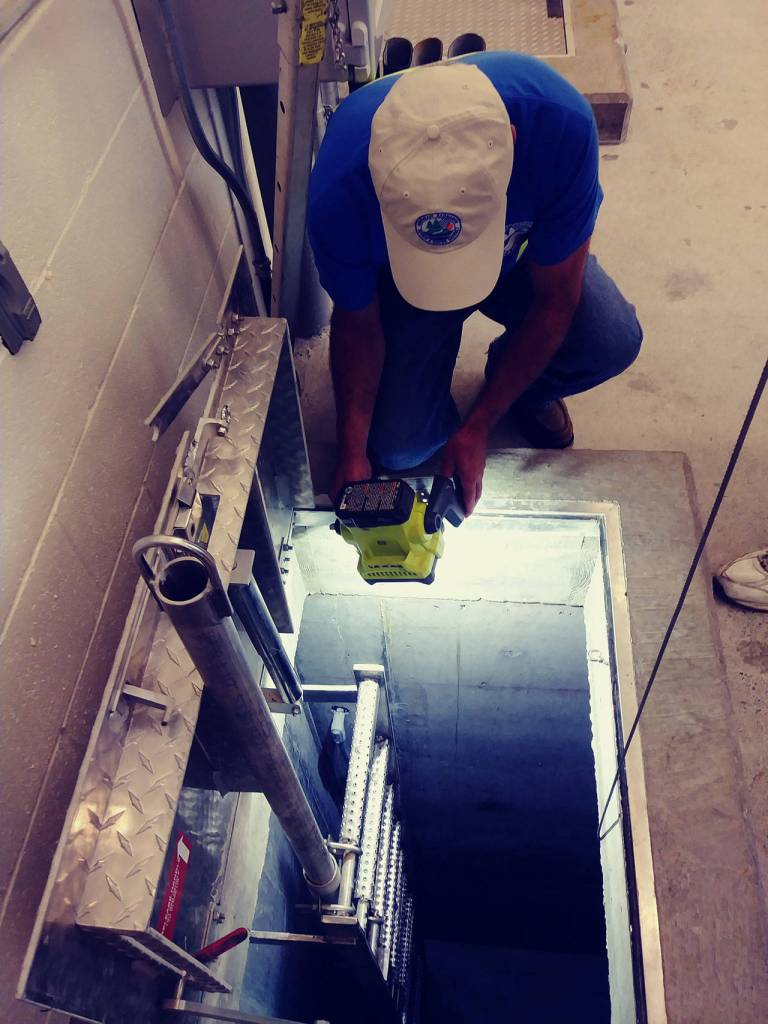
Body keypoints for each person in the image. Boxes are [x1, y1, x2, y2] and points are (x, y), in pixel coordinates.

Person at [307, 52, 643, 513]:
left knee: (609, 340)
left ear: (511, 141)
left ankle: (527, 389)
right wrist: (351, 452)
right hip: (411, 291)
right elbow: (358, 325)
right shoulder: (337, 195)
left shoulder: (559, 126)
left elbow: (556, 298)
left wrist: (480, 424)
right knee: (401, 450)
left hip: (520, 256)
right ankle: (438, 407)